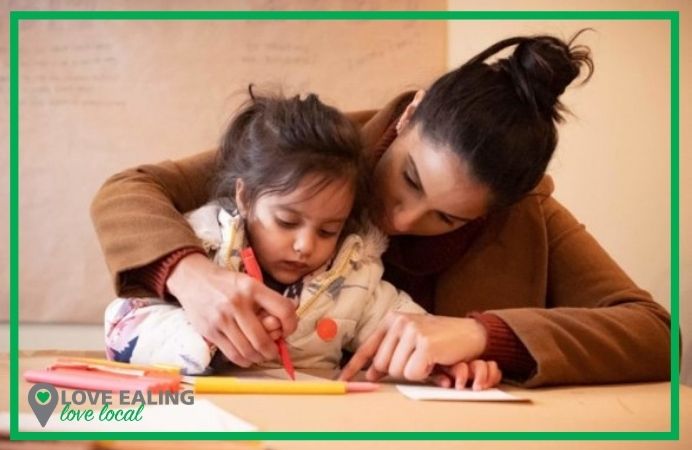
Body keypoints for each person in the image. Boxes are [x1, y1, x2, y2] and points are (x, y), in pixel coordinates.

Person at [91, 32, 671, 388]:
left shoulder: (530, 216)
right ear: (412, 113)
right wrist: (195, 277)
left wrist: (481, 336)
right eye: (409, 177)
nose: (398, 221)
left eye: (448, 217)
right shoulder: (316, 152)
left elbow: (652, 333)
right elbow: (131, 189)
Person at [101, 90, 502, 389]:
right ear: (244, 195)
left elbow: (408, 332)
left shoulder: (356, 276)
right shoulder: (203, 242)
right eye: (287, 222)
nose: (306, 246)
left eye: (329, 230)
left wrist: (446, 363)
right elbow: (122, 325)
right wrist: (202, 339)